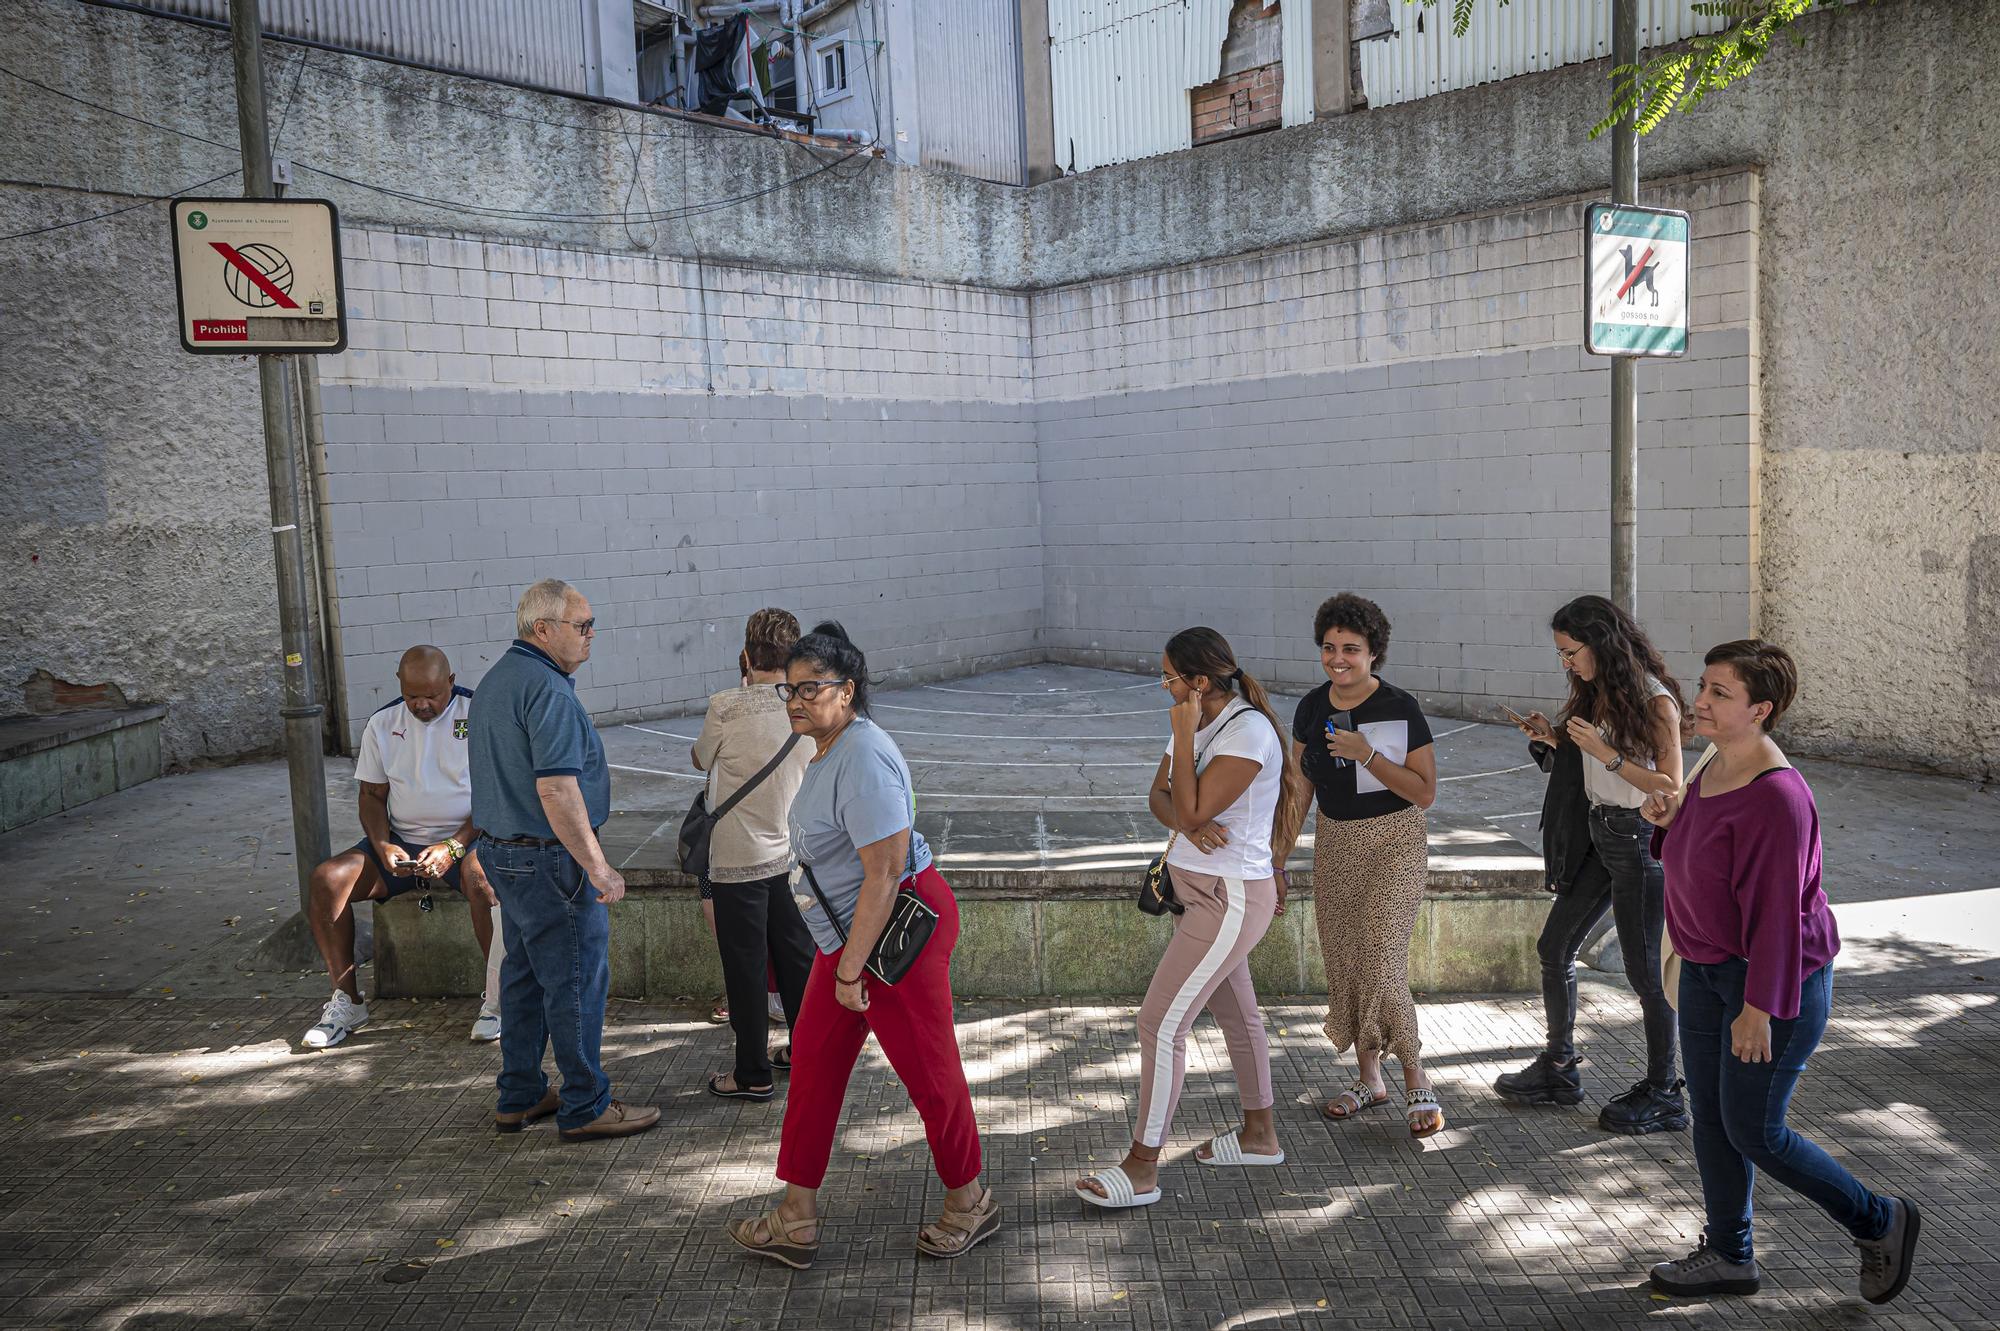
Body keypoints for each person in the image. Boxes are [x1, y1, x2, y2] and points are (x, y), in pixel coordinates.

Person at [1644, 640, 1920, 1304]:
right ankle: (1731, 1256)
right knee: (1710, 1118)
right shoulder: (1716, 759)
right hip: (1710, 972)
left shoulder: (1777, 794)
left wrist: (1759, 1007)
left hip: (1769, 981)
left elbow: (1776, 914)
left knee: (1756, 1129)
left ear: (1761, 708)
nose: (1700, 701)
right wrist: (1665, 820)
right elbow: (1699, 848)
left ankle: (1880, 1218)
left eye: (1719, 693)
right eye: (1704, 686)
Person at [727, 623, 996, 1267]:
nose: (794, 700)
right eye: (788, 690)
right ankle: (796, 1215)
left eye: (810, 688)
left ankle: (970, 1200)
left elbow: (885, 871)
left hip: (895, 933)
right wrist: (844, 961)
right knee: (815, 1063)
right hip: (850, 938)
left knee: (929, 1071)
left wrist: (851, 970)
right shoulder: (828, 748)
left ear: (847, 692)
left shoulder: (865, 754)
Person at [1076, 626, 1308, 1210]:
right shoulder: (1199, 724)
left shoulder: (1246, 731)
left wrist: (1186, 770)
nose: (1163, 686)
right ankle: (1260, 1138)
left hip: (1228, 898)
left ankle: (1143, 1167)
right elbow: (1161, 798)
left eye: (1169, 677)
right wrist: (1190, 815)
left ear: (1199, 682)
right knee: (1239, 1016)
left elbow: (1187, 803)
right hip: (1203, 895)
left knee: (1159, 1025)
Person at [466, 579, 658, 1142]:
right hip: (549, 861)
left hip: (504, 852)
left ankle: (520, 1093)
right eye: (582, 625)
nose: (591, 634)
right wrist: (598, 867)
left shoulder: (500, 678)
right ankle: (585, 1104)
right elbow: (557, 790)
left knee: (523, 975)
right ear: (542, 629)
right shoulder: (546, 689)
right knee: (575, 980)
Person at [1494, 594, 1688, 1134]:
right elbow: (1594, 770)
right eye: (1561, 654)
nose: (1566, 663)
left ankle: (1665, 1091)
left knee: (1646, 974)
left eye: (1570, 652)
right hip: (1599, 834)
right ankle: (1558, 1068)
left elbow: (1671, 788)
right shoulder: (1600, 693)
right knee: (1554, 947)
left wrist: (1606, 754)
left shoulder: (1656, 702)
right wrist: (1555, 740)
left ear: (1601, 642)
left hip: (1637, 839)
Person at [1292, 595, 1444, 1136]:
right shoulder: (1311, 707)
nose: (1338, 658)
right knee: (1348, 960)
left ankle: (1416, 1076)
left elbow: (1424, 793)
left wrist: (1367, 754)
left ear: (1373, 653)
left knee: (1381, 956)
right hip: (1335, 842)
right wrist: (1275, 857)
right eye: (1329, 648)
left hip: (1395, 840)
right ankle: (1368, 1080)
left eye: (1351, 649)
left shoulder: (1400, 706)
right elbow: (1298, 789)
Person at [302, 645, 502, 1049]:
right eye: (413, 696)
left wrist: (454, 846)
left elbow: (496, 795)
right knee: (327, 879)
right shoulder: (382, 723)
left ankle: (499, 1002)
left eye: (432, 695)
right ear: (400, 686)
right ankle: (347, 1001)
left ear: (450, 682)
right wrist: (383, 845)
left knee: (483, 878)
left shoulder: (480, 715)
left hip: (470, 838)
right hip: (402, 843)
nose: (423, 705)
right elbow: (372, 796)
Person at [693, 610, 815, 1101]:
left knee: (743, 967)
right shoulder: (805, 706)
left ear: (747, 655)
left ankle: (752, 1073)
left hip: (736, 859)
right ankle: (808, 1053)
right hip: (790, 857)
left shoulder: (726, 705)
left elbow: (702, 757)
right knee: (797, 961)